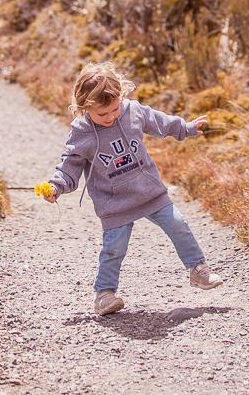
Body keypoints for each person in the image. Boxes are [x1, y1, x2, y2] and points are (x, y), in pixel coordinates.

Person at [43, 62, 223, 316]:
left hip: (149, 192)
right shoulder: (82, 132)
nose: (110, 117)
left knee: (178, 224)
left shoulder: (132, 111)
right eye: (102, 114)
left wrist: (187, 128)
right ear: (85, 107)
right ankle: (104, 294)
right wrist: (57, 186)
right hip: (114, 203)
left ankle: (198, 270)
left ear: (121, 97)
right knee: (114, 247)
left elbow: (160, 121)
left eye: (114, 109)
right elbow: (69, 164)